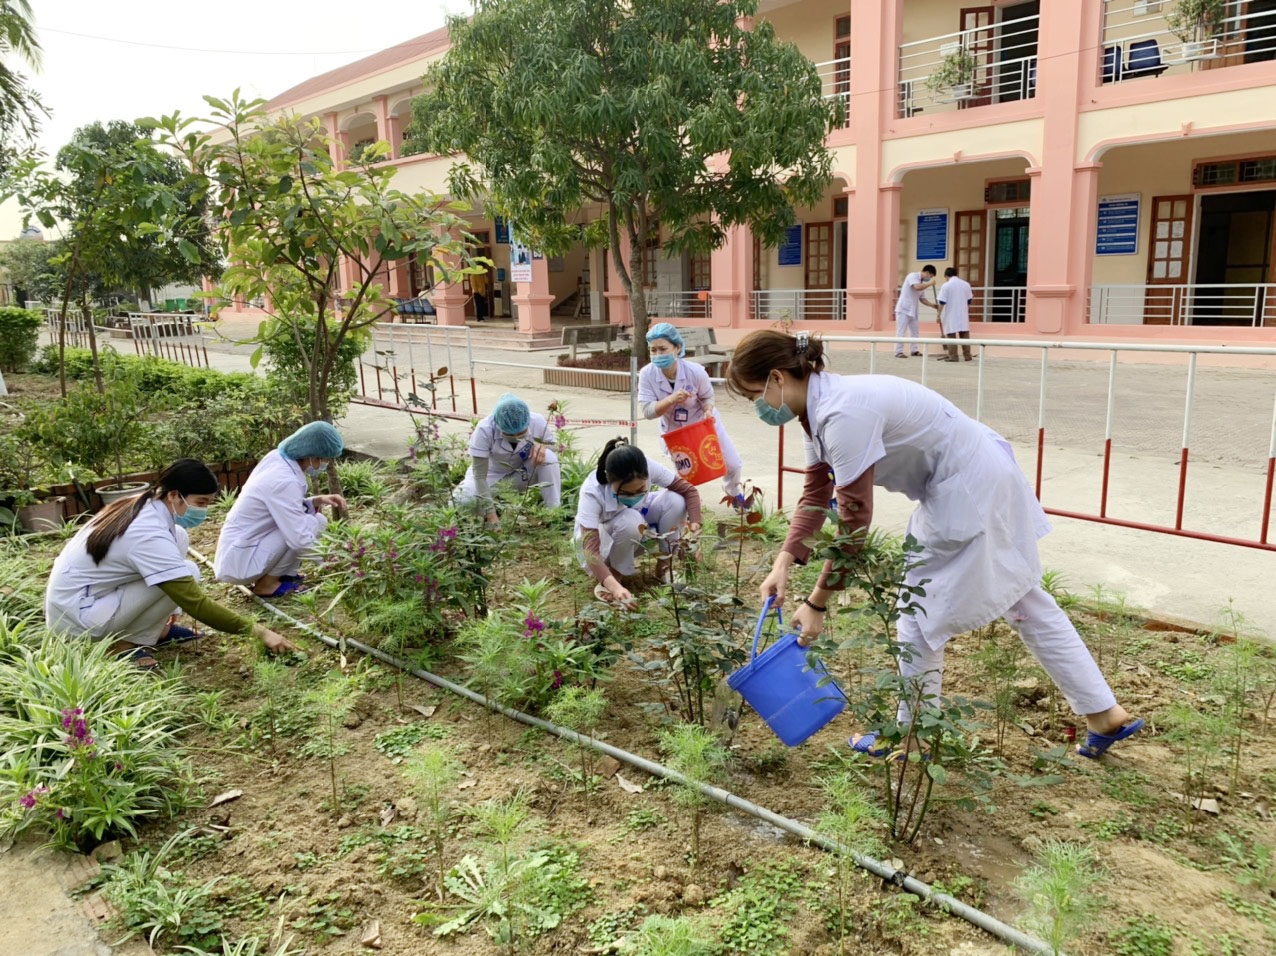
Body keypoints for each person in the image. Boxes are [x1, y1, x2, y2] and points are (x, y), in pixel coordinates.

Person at [727, 330, 1143, 760]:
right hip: (978, 474)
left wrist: (816, 604)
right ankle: (1104, 713)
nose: (760, 407)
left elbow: (853, 518)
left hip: (965, 486)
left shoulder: (842, 413)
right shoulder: (817, 411)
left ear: (777, 378)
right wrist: (784, 561)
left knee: (917, 615)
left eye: (756, 394)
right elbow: (816, 493)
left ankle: (913, 737)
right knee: (1025, 601)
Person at [45, 459, 295, 669]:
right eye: (200, 503)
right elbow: (195, 603)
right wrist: (260, 631)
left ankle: (157, 632)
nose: (204, 511)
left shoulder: (143, 502)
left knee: (181, 543)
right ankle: (120, 645)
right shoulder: (147, 533)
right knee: (183, 575)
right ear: (175, 495)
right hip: (78, 619)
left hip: (86, 597)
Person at [214, 421, 347, 597]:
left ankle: (284, 576)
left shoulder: (278, 457)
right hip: (241, 562)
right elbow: (299, 539)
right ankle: (267, 585)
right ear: (312, 456)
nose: (326, 463)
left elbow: (282, 506)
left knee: (317, 521)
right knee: (307, 525)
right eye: (325, 459)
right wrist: (338, 565)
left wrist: (316, 500)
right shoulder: (284, 480)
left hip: (245, 545)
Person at [574, 437, 702, 606]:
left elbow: (689, 491)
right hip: (605, 545)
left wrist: (694, 532)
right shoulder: (592, 492)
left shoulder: (644, 467)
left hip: (638, 525)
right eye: (626, 493)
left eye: (641, 490)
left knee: (676, 500)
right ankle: (614, 576)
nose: (634, 496)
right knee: (630, 520)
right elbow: (590, 551)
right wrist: (614, 587)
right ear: (609, 479)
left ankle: (664, 566)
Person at [637, 323, 746, 504]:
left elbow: (707, 397)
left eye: (663, 349)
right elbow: (648, 411)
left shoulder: (695, 371)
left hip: (703, 424)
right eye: (653, 350)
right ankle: (686, 508)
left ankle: (733, 493)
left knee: (732, 463)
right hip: (674, 431)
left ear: (677, 348)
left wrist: (708, 411)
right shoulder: (647, 374)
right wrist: (671, 399)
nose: (657, 355)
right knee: (685, 475)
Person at [454, 392, 562, 521]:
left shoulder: (536, 421)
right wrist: (491, 515)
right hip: (490, 475)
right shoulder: (484, 430)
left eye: (521, 433)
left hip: (522, 472)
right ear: (499, 425)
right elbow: (479, 476)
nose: (516, 437)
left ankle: (554, 513)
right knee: (460, 501)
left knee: (549, 457)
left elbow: (553, 446)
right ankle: (491, 509)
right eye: (510, 434)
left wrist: (542, 446)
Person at [893, 265, 938, 358]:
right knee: (901, 331)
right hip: (903, 309)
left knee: (915, 331)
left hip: (913, 310)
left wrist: (933, 305)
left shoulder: (922, 282)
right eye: (931, 276)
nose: (930, 278)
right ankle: (898, 351)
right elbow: (917, 287)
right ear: (927, 273)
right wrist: (930, 284)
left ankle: (914, 350)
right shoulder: (912, 276)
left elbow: (922, 299)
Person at [937, 267, 973, 362]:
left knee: (950, 334)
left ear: (946, 276)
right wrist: (966, 310)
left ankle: (953, 357)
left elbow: (942, 302)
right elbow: (969, 300)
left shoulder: (946, 285)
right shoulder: (966, 284)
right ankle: (967, 356)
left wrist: (938, 314)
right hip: (963, 313)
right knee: (964, 334)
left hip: (951, 314)